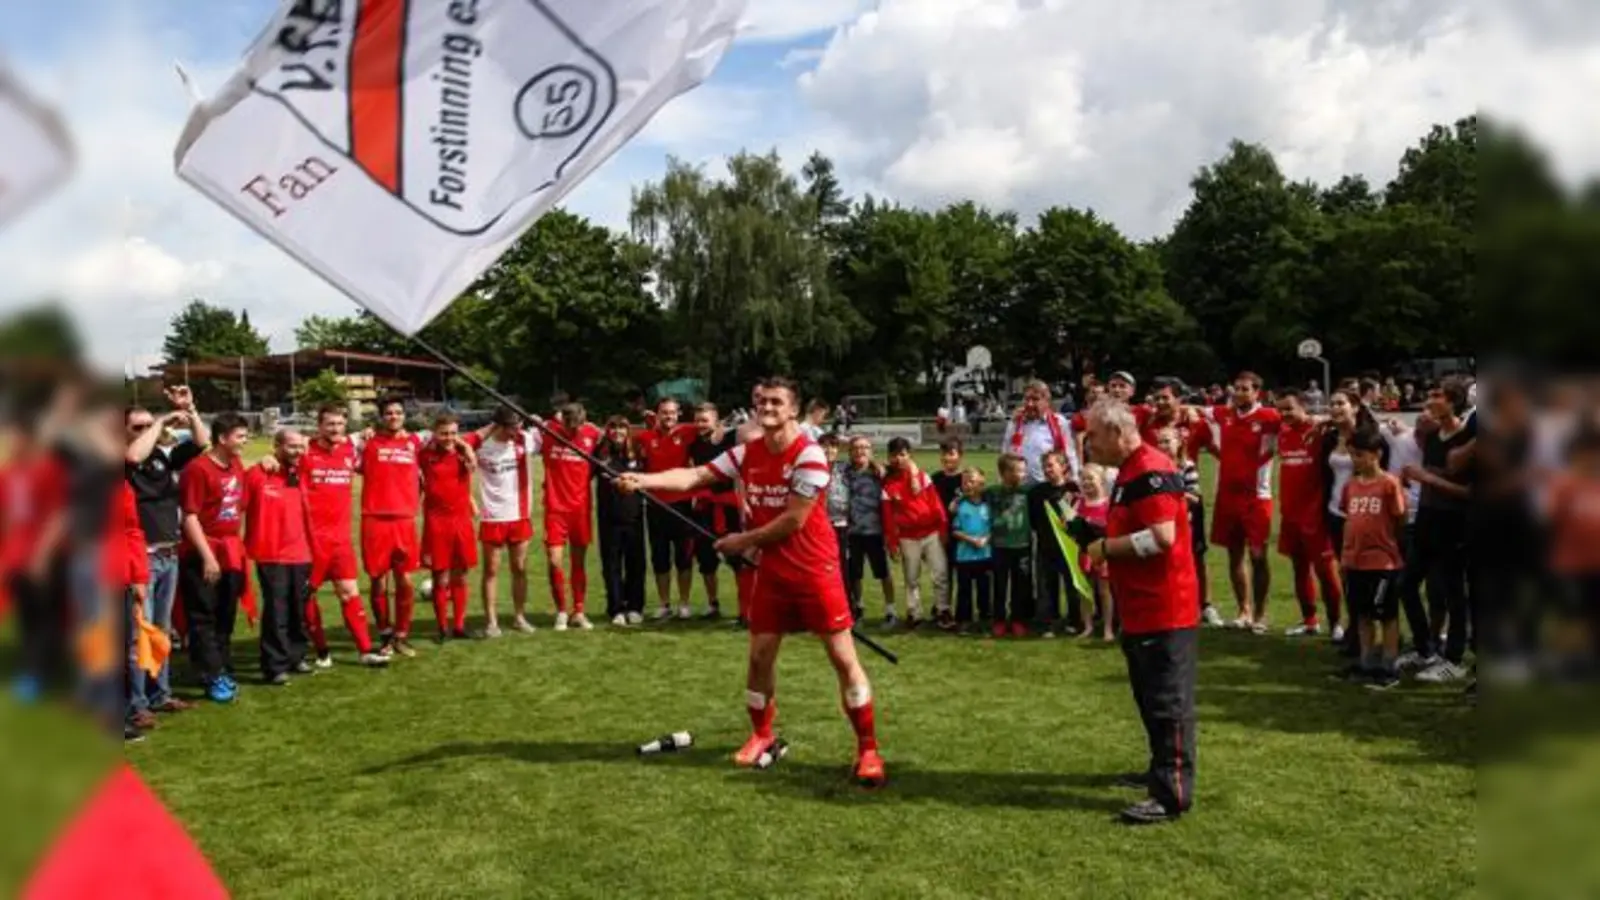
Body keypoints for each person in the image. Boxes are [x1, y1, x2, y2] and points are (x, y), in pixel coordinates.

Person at [615, 376, 886, 787]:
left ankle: (867, 748)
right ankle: (761, 734)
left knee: (843, 658)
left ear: (793, 409)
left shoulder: (809, 455)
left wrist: (743, 541)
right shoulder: (747, 452)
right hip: (773, 571)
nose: (766, 407)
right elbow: (694, 477)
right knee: (759, 657)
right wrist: (642, 481)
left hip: (816, 571)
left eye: (776, 401)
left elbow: (793, 520)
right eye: (761, 401)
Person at [1065, 400, 1200, 825]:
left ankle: (1171, 792)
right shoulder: (1129, 471)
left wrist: (1107, 548)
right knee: (1150, 697)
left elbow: (1161, 537)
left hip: (1165, 607)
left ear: (1117, 432)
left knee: (1167, 700)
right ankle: (1160, 769)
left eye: (1094, 435)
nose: (1088, 443)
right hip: (1141, 607)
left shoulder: (1150, 469)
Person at [123, 386, 208, 720]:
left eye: (148, 426)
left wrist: (191, 409)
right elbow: (133, 456)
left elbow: (201, 443)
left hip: (168, 554)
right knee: (136, 635)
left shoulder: (161, 456)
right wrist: (160, 421)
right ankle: (137, 703)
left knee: (160, 631)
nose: (146, 431)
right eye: (137, 427)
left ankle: (161, 694)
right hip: (141, 557)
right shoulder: (123, 461)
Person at [299, 405, 387, 667]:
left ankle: (365, 650)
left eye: (339, 424)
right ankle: (322, 651)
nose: (335, 429)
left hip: (340, 541)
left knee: (349, 592)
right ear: (319, 425)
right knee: (307, 596)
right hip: (310, 540)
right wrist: (270, 458)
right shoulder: (304, 451)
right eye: (330, 424)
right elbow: (279, 456)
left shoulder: (350, 449)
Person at [1402, 378, 1475, 683]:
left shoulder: (1469, 440)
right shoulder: (1433, 435)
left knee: (1453, 593)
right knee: (1405, 584)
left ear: (1453, 402)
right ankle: (1425, 649)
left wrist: (1427, 479)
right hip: (1427, 520)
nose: (1429, 400)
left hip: (1454, 523)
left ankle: (1454, 659)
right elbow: (1437, 471)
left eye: (1436, 396)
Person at [1198, 371, 1280, 631]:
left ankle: (1260, 614)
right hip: (1227, 496)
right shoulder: (1224, 414)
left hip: (1257, 496)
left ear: (1257, 392)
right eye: (1236, 388)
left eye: (1245, 389)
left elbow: (1301, 420)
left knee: (1258, 555)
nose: (1239, 393)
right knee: (1233, 555)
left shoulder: (1269, 417)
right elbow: (1196, 411)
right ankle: (1243, 610)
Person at [178, 412, 251, 704]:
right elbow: (190, 516)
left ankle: (221, 666)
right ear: (222, 438)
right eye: (240, 436)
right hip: (204, 551)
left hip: (230, 549)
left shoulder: (236, 465)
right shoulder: (198, 469)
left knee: (225, 614)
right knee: (203, 616)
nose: (245, 441)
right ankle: (211, 674)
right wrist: (208, 557)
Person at [1336, 428, 1409, 690]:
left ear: (1377, 454)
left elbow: (1400, 518)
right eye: (1353, 455)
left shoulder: (1389, 483)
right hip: (1355, 561)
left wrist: (1391, 547)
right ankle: (1366, 662)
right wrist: (1345, 556)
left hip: (1382, 562)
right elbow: (1349, 521)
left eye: (1361, 455)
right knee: (1362, 614)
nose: (1356, 460)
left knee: (1386, 615)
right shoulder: (1351, 486)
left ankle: (1389, 664)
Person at [244, 428, 315, 685]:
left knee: (298, 609)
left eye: (300, 446)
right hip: (271, 554)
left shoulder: (301, 473)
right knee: (277, 611)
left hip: (302, 553)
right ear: (277, 446)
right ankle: (274, 666)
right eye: (291, 446)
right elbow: (237, 505)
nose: (297, 451)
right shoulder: (257, 474)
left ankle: (296, 657)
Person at [359, 396, 424, 657]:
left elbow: (451, 441)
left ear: (404, 416)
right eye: (389, 413)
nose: (393, 416)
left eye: (398, 413)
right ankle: (385, 634)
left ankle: (402, 635)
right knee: (378, 580)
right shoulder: (368, 443)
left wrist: (465, 450)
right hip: (375, 519)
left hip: (404, 520)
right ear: (381, 417)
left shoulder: (416, 443)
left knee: (406, 580)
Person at [466, 406, 540, 636]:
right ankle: (492, 622)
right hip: (493, 516)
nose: (515, 431)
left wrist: (539, 420)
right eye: (510, 427)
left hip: (519, 515)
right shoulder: (482, 446)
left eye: (518, 425)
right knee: (491, 570)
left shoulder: (524, 440)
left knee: (520, 568)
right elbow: (462, 443)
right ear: (498, 425)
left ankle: (519, 617)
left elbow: (555, 431)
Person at [1275, 389, 1343, 638]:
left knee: (1325, 570)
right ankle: (1310, 620)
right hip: (1290, 514)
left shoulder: (1320, 432)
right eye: (1280, 409)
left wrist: (1325, 420)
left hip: (1316, 514)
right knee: (1299, 567)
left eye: (1289, 408)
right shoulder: (1282, 431)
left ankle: (1336, 623)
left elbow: (1348, 419)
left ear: (1303, 407)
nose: (1284, 414)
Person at [636, 398, 698, 620]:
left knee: (684, 556)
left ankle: (684, 603)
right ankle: (664, 604)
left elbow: (712, 427)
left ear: (679, 414)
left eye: (672, 413)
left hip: (682, 504)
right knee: (660, 557)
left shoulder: (688, 432)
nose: (668, 416)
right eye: (664, 413)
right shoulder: (645, 437)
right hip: (655, 504)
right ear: (658, 414)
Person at [542, 403, 602, 631]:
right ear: (562, 421)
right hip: (555, 509)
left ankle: (578, 610)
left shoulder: (591, 434)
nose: (574, 429)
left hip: (581, 508)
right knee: (554, 560)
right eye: (569, 425)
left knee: (579, 562)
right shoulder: (549, 431)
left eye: (578, 424)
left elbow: (614, 436)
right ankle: (561, 611)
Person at [419, 414, 478, 641]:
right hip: (436, 521)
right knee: (440, 576)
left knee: (461, 575)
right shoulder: (425, 454)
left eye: (453, 433)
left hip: (461, 520)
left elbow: (472, 468)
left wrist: (468, 450)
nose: (449, 438)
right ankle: (442, 627)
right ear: (435, 432)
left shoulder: (463, 453)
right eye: (444, 433)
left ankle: (460, 626)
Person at [882, 436, 949, 629]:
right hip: (907, 538)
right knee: (911, 578)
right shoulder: (887, 485)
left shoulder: (922, 476)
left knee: (940, 574)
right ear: (889, 457)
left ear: (909, 455)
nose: (899, 459)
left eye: (903, 454)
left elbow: (936, 505)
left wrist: (942, 528)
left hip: (931, 534)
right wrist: (892, 543)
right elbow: (887, 518)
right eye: (894, 455)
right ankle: (914, 613)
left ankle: (943, 610)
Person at [1157, 427, 1214, 627]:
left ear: (1179, 442)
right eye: (1160, 442)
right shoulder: (1155, 468)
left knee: (1192, 562)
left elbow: (1194, 496)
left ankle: (1200, 606)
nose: (1163, 446)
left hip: (1187, 520)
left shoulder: (1186, 466)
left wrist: (1172, 494)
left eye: (1167, 441)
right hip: (1165, 521)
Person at [687, 403, 739, 620]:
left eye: (704, 420)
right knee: (705, 557)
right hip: (704, 506)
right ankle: (713, 603)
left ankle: (746, 607)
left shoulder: (731, 440)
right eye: (697, 420)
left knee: (737, 557)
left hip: (729, 506)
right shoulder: (695, 445)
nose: (700, 425)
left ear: (717, 421)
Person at [595, 417, 646, 626]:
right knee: (612, 565)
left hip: (634, 517)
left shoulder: (636, 451)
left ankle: (635, 606)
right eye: (613, 428)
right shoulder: (600, 453)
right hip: (609, 518)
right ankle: (616, 608)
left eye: (622, 428)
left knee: (636, 563)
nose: (618, 432)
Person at [842, 436, 894, 625]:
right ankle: (859, 608)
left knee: (883, 572)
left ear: (871, 451)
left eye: (865, 447)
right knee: (855, 574)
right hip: (853, 532)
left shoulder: (880, 472)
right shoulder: (844, 472)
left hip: (875, 531)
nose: (860, 451)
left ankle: (890, 611)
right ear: (849, 452)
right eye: (856, 448)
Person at [1027, 450, 1077, 637]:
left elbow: (1077, 518)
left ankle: (1074, 620)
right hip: (1045, 545)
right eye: (1045, 466)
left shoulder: (1074, 490)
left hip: (1069, 547)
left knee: (1072, 585)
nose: (1047, 470)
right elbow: (1033, 520)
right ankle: (1046, 622)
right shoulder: (1036, 493)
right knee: (1045, 585)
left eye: (1051, 465)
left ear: (1063, 467)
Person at [986, 453, 1033, 637]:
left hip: (1022, 546)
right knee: (999, 585)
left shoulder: (1029, 492)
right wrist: (957, 502)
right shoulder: (992, 492)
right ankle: (998, 619)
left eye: (1023, 470)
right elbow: (972, 496)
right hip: (999, 546)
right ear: (1005, 472)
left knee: (1020, 586)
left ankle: (1018, 619)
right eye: (1018, 471)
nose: (1023, 474)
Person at [1002, 379, 1080, 486]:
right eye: (1026, 399)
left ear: (1046, 401)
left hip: (1048, 485)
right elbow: (1006, 453)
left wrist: (1075, 478)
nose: (1029, 404)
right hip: (1020, 486)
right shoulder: (1015, 422)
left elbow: (1069, 453)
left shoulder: (1059, 422)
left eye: (1035, 399)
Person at [950, 468, 993, 633]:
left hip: (985, 555)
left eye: (972, 481)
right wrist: (971, 540)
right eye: (964, 482)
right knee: (964, 591)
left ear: (981, 484)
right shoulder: (960, 506)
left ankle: (985, 620)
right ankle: (964, 621)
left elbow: (993, 527)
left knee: (984, 590)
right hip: (965, 557)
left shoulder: (988, 505)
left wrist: (985, 539)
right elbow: (954, 529)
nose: (968, 485)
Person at [930, 437, 966, 623]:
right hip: (940, 533)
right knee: (941, 573)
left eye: (951, 454)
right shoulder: (934, 479)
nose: (947, 458)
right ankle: (941, 607)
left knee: (961, 572)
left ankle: (961, 611)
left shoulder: (966, 479)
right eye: (944, 454)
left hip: (962, 534)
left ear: (960, 456)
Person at [1076, 464, 1114, 640]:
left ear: (1102, 481)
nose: (1086, 482)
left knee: (1104, 591)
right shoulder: (1078, 503)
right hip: (1084, 553)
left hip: (1103, 552)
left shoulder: (1109, 503)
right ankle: (1088, 626)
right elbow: (1069, 525)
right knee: (1085, 591)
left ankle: (1108, 628)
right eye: (1083, 479)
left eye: (1090, 478)